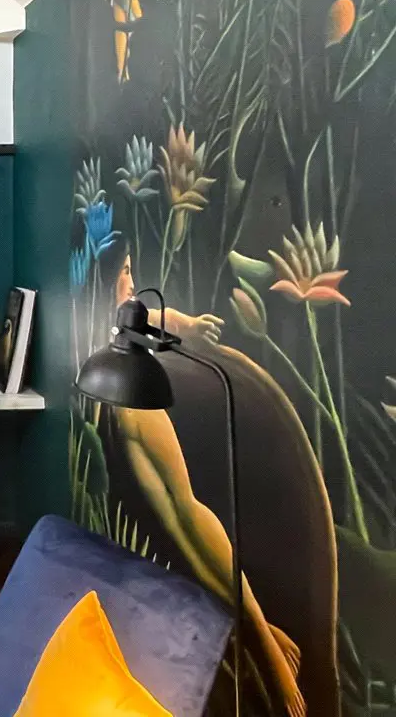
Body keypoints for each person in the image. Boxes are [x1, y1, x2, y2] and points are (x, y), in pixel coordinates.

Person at [103, 251, 307, 717]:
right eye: (124, 271)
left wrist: (189, 326)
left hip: (129, 395)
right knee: (172, 520)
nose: (130, 283)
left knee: (183, 514)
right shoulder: (105, 311)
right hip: (116, 389)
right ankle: (256, 631)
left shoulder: (121, 310)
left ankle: (260, 639)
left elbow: (147, 314)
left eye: (131, 270)